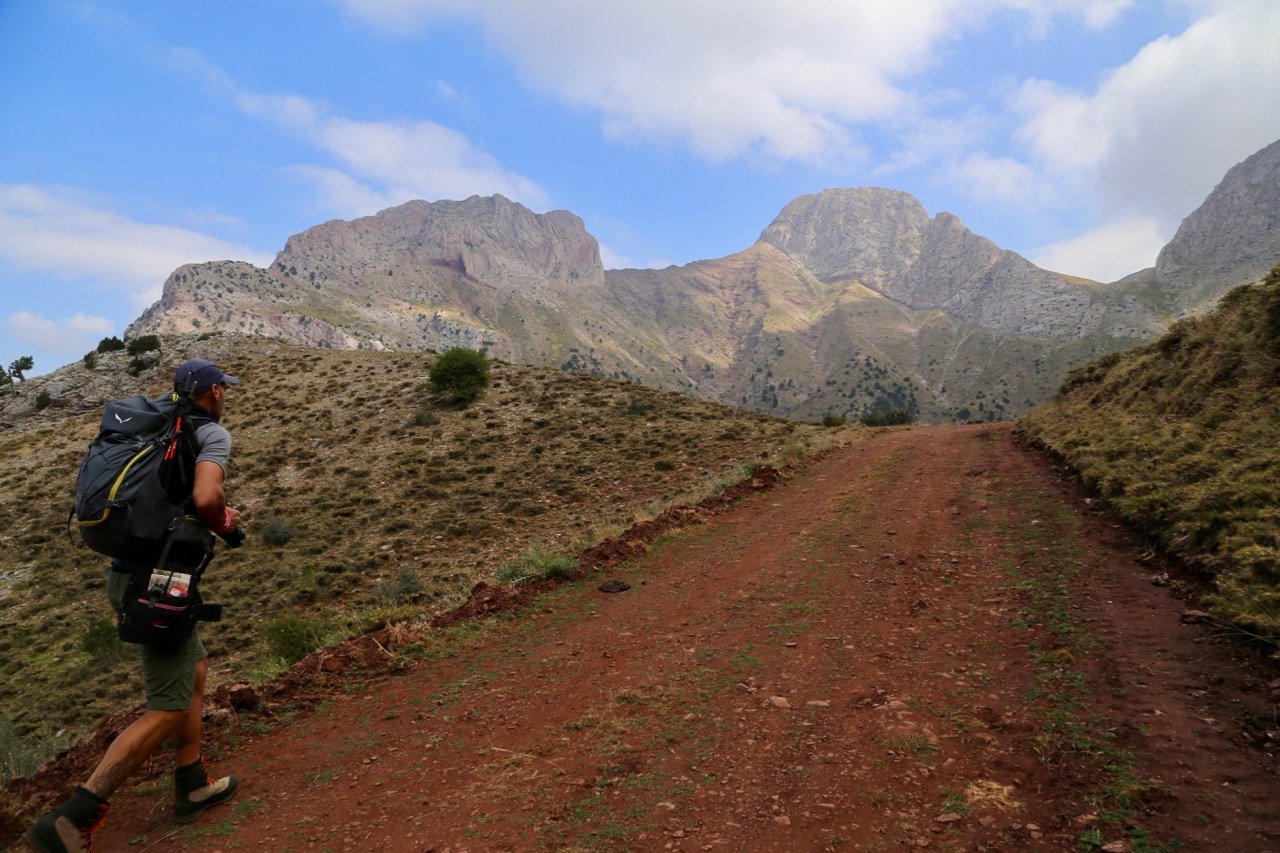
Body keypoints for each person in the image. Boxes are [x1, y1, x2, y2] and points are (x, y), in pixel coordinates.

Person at [25, 358, 245, 853]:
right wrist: (227, 526)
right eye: (223, 389)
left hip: (132, 574)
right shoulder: (211, 435)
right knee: (166, 707)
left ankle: (191, 783)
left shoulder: (157, 425)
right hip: (156, 587)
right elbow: (208, 498)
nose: (225, 396)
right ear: (213, 393)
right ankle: (69, 820)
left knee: (196, 669)